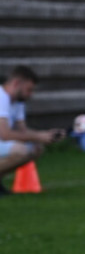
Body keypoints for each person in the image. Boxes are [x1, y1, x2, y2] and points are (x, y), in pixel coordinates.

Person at [0, 66, 66, 196]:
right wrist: (38, 136)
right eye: (29, 90)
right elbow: (5, 134)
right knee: (21, 151)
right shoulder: (2, 97)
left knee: (36, 149)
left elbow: (23, 131)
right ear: (16, 83)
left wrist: (46, 135)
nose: (30, 94)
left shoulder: (17, 102)